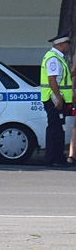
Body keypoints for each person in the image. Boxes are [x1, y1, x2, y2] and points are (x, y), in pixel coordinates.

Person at [41, 32, 73, 167]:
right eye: (67, 44)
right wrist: (59, 98)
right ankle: (54, 158)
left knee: (58, 128)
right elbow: (52, 79)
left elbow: (62, 78)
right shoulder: (53, 58)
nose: (69, 47)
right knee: (55, 129)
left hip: (56, 99)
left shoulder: (57, 58)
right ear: (60, 45)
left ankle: (56, 157)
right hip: (53, 100)